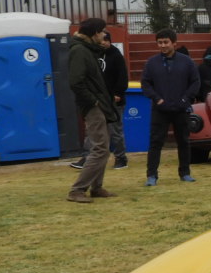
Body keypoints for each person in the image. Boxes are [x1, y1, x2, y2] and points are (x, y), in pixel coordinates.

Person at [65, 17, 117, 204]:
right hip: (93, 106)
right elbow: (76, 82)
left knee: (102, 147)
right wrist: (94, 102)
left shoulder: (87, 50)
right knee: (100, 148)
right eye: (102, 32)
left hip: (98, 105)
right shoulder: (80, 51)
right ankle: (77, 190)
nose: (104, 35)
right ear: (95, 33)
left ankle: (96, 187)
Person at [141, 28, 201, 186]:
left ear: (174, 43)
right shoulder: (151, 63)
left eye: (166, 42)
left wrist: (185, 99)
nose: (162, 45)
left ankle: (185, 173)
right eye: (159, 42)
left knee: (183, 141)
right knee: (155, 143)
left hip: (181, 109)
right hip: (160, 110)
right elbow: (145, 84)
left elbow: (195, 82)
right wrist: (157, 99)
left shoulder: (186, 61)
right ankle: (151, 176)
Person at [69, 29, 130, 171]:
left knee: (115, 131)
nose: (103, 43)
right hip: (97, 101)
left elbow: (123, 79)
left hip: (114, 101)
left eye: (105, 40)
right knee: (92, 129)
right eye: (101, 40)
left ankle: (121, 157)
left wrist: (117, 94)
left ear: (110, 41)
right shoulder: (91, 54)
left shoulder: (116, 56)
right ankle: (87, 157)